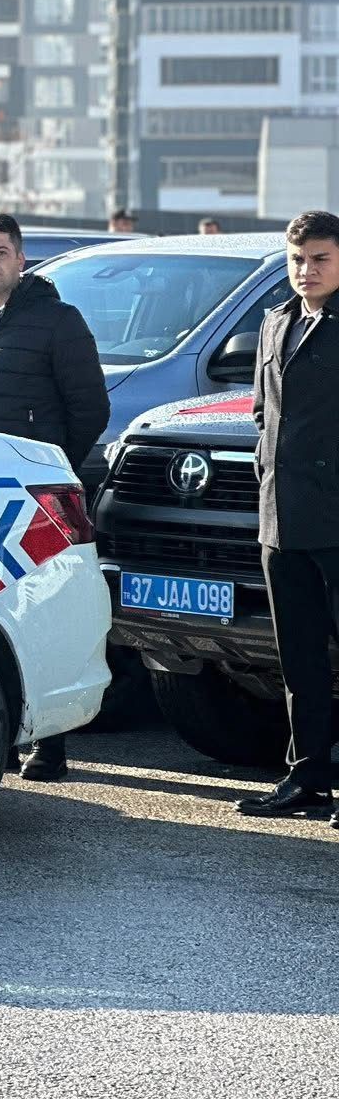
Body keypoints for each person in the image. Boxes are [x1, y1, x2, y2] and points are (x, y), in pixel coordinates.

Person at [0, 211, 109, 782]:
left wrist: (49, 467)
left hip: (34, 498)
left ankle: (51, 745)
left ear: (21, 257)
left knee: (43, 614)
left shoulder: (58, 321)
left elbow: (90, 408)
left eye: (1, 252)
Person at [238, 211, 339, 820]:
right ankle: (306, 780)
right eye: (298, 260)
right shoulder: (276, 321)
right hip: (281, 517)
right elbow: (262, 415)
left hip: (337, 519)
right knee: (298, 658)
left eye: (321, 259)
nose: (307, 270)